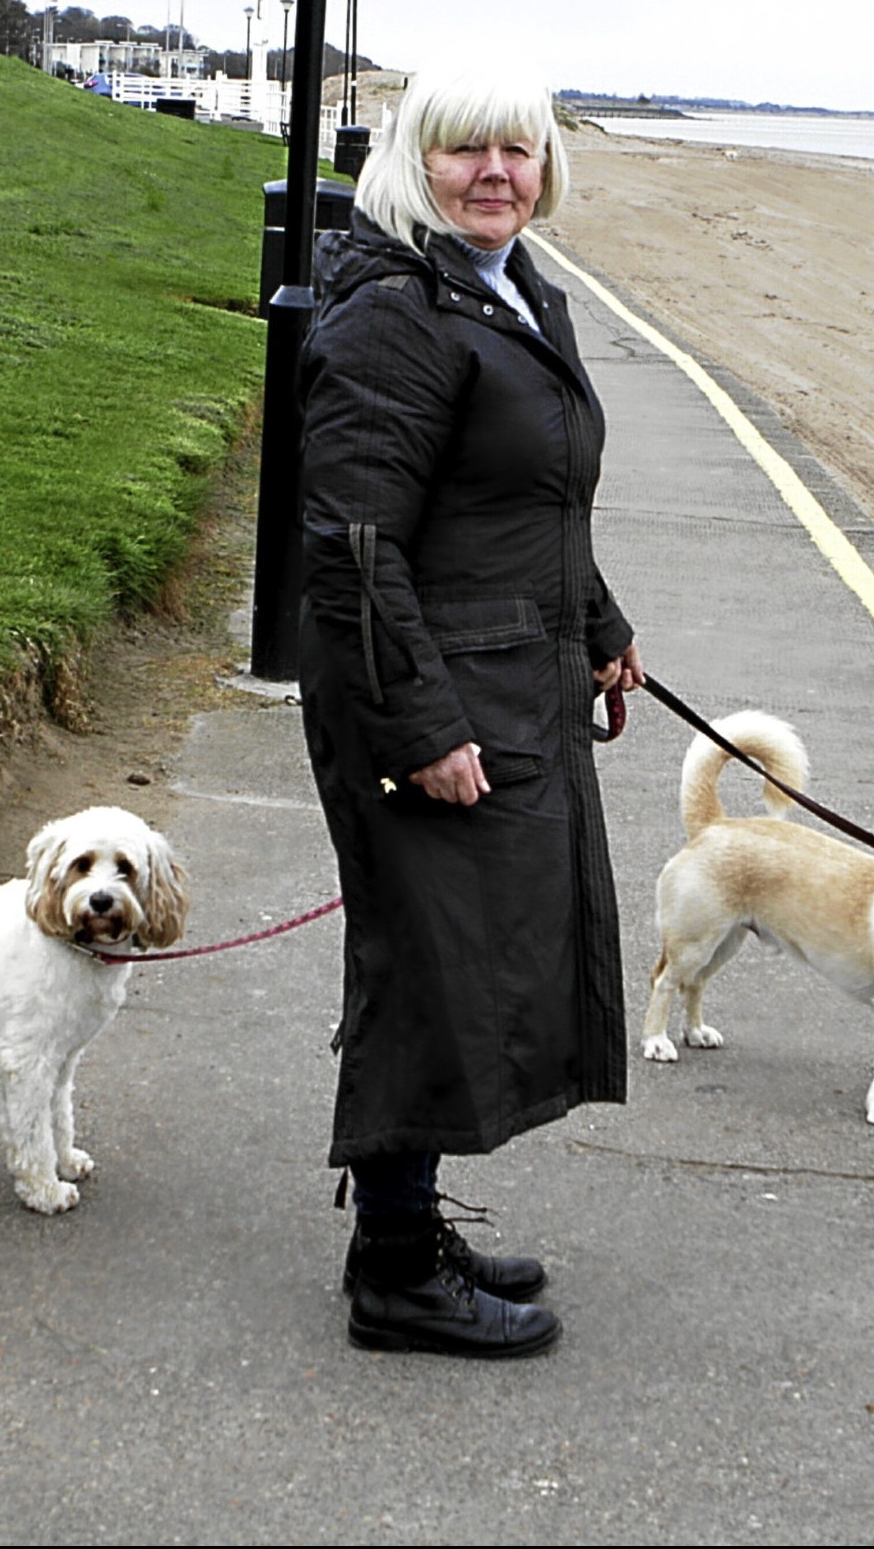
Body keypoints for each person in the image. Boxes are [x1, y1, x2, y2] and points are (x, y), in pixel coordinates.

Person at [294, 73, 642, 1359]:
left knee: (472, 957)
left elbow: (533, 503)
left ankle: (408, 1219)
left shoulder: (509, 286)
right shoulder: (396, 314)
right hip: (434, 697)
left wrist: (599, 629)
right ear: (412, 159)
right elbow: (354, 545)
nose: (496, 171)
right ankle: (393, 1269)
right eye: (465, 150)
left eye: (520, 148)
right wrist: (420, 731)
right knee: (428, 968)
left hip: (514, 678)